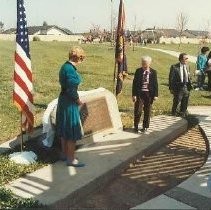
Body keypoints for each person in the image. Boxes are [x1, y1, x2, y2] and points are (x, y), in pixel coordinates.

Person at [56, 46, 85, 167]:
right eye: (81, 58)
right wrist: (79, 101)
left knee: (64, 130)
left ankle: (64, 154)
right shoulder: (70, 70)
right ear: (77, 58)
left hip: (63, 100)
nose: (81, 61)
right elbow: (71, 89)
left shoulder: (65, 66)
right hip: (69, 102)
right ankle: (71, 159)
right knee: (71, 131)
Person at [132, 56, 158, 133]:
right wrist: (134, 95)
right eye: (143, 63)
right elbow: (134, 84)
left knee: (147, 110)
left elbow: (155, 84)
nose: (144, 65)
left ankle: (145, 126)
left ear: (149, 64)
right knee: (138, 110)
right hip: (140, 93)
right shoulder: (138, 71)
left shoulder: (153, 72)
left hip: (149, 94)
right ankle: (136, 126)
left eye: (145, 64)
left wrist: (156, 95)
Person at [169, 53, 192, 117]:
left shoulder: (188, 66)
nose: (187, 60)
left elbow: (188, 76)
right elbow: (171, 78)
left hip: (186, 86)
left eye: (187, 58)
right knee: (176, 101)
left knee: (185, 101)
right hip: (178, 87)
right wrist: (171, 88)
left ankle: (183, 113)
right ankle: (174, 113)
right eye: (186, 58)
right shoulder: (174, 67)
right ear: (181, 59)